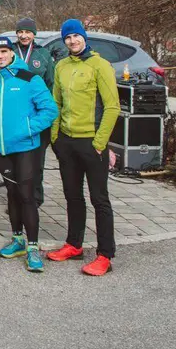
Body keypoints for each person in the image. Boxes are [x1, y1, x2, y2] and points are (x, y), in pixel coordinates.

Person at [47, 19, 118, 276]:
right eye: (68, 37)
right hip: (66, 141)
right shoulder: (61, 66)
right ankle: (74, 244)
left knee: (99, 199)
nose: (72, 41)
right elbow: (55, 102)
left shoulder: (100, 65)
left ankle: (104, 255)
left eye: (76, 36)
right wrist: (55, 138)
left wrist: (100, 143)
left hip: (92, 142)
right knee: (72, 196)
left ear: (84, 37)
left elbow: (112, 107)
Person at [0, 37, 59, 273]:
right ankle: (17, 240)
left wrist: (27, 128)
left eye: (4, 51)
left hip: (26, 148)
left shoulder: (29, 79)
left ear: (12, 53)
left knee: (27, 196)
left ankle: (33, 247)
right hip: (3, 149)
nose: (0, 56)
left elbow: (50, 110)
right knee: (12, 194)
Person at [14, 16, 56, 206]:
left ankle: (35, 198)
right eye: (21, 32)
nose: (24, 35)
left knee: (37, 160)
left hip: (37, 115)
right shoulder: (10, 51)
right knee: (16, 160)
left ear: (34, 34)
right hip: (15, 114)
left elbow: (51, 84)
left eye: (28, 32)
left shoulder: (43, 55)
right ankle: (17, 198)